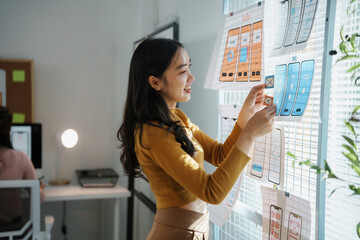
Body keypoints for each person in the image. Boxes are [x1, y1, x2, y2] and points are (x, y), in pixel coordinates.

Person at [118, 38, 277, 239]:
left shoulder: (177, 118)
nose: (192, 77)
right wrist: (249, 135)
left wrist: (245, 116)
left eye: (189, 68)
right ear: (155, 82)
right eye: (183, 71)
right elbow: (211, 192)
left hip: (193, 230)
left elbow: (219, 154)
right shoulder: (153, 134)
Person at [0, 106, 45, 233]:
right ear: (8, 130)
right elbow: (38, 198)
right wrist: (39, 187)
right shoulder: (21, 157)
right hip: (16, 232)